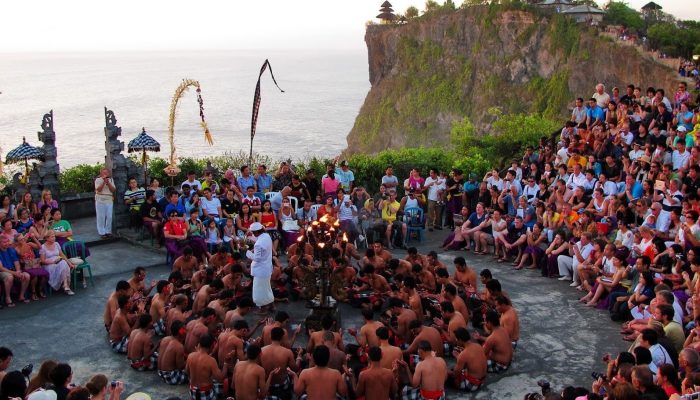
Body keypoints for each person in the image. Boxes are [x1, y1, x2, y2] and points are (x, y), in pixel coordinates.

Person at [185, 335, 229, 400]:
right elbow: (221, 378)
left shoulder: (190, 356)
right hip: (206, 394)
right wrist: (226, 363)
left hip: (193, 392)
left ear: (199, 344)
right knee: (224, 383)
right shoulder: (211, 360)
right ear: (211, 346)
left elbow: (187, 372)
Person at [247, 222, 274, 314]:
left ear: (257, 232)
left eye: (253, 232)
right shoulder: (266, 236)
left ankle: (263, 309)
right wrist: (250, 237)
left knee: (259, 290)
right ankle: (271, 306)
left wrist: (247, 252)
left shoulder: (258, 244)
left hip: (260, 270)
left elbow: (257, 258)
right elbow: (258, 239)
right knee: (267, 288)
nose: (253, 234)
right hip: (267, 268)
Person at [451, 328, 487, 392]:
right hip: (482, 381)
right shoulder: (478, 346)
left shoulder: (463, 354)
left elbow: (455, 374)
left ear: (460, 340)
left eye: (456, 339)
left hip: (473, 385)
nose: (456, 340)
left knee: (450, 374)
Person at [0, 235, 31, 306]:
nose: (7, 243)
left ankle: (21, 296)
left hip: (13, 270)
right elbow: (1, 268)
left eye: (8, 241)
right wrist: (14, 273)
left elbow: (16, 263)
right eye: (4, 242)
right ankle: (8, 298)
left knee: (26, 276)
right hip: (3, 272)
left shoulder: (11, 250)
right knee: (9, 277)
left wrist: (18, 271)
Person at [158, 319, 188, 385]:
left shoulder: (165, 339)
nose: (186, 331)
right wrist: (190, 359)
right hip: (170, 376)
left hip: (160, 372)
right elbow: (180, 367)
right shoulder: (179, 346)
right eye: (184, 330)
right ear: (181, 332)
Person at [94, 168, 116, 238]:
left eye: (106, 173)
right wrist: (103, 182)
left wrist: (108, 182)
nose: (105, 174)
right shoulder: (97, 180)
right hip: (100, 199)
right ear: (101, 174)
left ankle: (108, 231)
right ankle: (102, 232)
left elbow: (113, 190)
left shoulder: (111, 180)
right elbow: (98, 189)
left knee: (109, 216)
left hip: (109, 199)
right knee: (101, 216)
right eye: (104, 173)